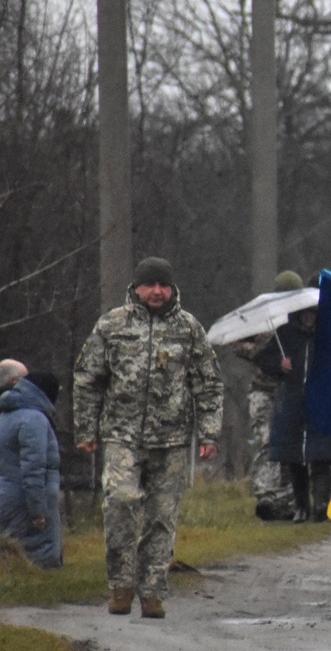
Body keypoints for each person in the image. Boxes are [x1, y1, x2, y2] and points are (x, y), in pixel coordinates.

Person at [73, 257, 224, 619]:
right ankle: (120, 587)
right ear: (136, 288)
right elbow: (88, 378)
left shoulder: (188, 329)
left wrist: (209, 433)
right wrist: (85, 429)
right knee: (121, 505)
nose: (157, 292)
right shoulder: (112, 325)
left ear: (172, 289)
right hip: (122, 435)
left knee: (161, 517)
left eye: (164, 285)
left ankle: (153, 591)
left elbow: (208, 383)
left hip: (171, 440)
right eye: (150, 285)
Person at [257, 304, 331, 524]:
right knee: (295, 458)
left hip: (322, 403)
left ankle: (321, 504)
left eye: (313, 313)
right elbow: (263, 360)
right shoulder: (285, 334)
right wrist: (279, 364)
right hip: (292, 403)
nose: (309, 317)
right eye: (305, 313)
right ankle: (301, 506)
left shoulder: (330, 336)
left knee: (322, 457)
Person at [229, 269, 302, 520]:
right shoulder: (261, 319)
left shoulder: (302, 318)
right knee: (266, 439)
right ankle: (265, 492)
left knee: (289, 443)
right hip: (263, 390)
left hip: (291, 391)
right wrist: (261, 352)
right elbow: (236, 343)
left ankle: (288, 496)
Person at [0, 362, 63, 568]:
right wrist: (38, 512)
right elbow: (33, 470)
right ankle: (47, 592)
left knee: (14, 555)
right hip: (27, 502)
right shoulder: (33, 420)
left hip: (7, 496)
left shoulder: (6, 415)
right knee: (40, 558)